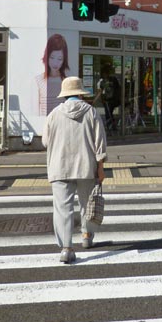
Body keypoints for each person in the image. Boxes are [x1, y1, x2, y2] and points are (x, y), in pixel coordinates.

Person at [42, 76, 107, 264]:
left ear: (65, 95)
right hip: (86, 166)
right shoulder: (91, 112)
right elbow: (100, 142)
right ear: (80, 93)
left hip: (59, 167)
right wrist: (101, 168)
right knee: (87, 204)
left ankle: (66, 248)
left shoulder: (54, 114)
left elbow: (46, 142)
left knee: (63, 208)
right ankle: (86, 236)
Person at [36, 34, 69, 116]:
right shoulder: (37, 81)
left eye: (60, 59)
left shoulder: (67, 82)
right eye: (52, 57)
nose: (55, 63)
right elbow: (35, 111)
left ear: (64, 59)